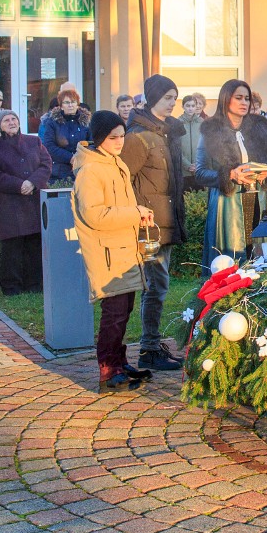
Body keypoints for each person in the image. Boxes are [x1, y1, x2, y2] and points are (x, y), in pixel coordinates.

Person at [72, 111, 155, 392]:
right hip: (107, 252)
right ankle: (108, 370)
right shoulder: (91, 170)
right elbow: (94, 215)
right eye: (113, 137)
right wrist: (134, 213)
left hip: (123, 248)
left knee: (124, 310)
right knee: (114, 313)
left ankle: (119, 362)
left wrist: (137, 216)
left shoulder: (114, 163)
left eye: (122, 136)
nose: (120, 142)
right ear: (99, 139)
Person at [121, 75, 186, 371]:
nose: (172, 103)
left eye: (175, 97)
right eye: (167, 97)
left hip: (165, 219)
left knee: (159, 285)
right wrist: (139, 211)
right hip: (149, 225)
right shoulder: (138, 136)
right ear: (152, 99)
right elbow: (124, 181)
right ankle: (148, 349)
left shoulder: (165, 133)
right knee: (155, 287)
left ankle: (152, 344)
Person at [196, 80, 267, 271]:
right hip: (228, 205)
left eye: (247, 99)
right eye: (239, 98)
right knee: (230, 261)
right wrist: (230, 174)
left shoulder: (260, 128)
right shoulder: (211, 130)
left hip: (257, 201)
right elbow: (200, 173)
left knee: (257, 254)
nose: (244, 103)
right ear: (226, 99)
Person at [0, 110, 51, 295]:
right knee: (12, 247)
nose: (11, 122)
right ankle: (11, 286)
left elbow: (46, 164)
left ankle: (34, 284)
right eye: (6, 120)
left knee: (34, 244)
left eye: (14, 119)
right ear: (0, 126)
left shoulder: (34, 141)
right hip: (9, 202)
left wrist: (32, 183)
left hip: (33, 200)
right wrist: (19, 185)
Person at [40, 89, 91, 182]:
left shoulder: (86, 122)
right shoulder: (52, 122)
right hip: (58, 172)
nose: (70, 105)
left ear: (77, 104)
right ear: (61, 106)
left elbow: (91, 143)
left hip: (83, 169)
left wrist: (80, 157)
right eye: (67, 102)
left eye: (73, 102)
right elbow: (49, 145)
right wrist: (70, 157)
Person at [178, 94, 206, 190]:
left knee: (200, 197)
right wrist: (187, 165)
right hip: (183, 172)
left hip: (199, 170)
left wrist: (198, 164)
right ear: (183, 106)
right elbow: (175, 148)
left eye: (193, 106)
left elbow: (205, 146)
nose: (190, 108)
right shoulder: (178, 123)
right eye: (188, 106)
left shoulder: (202, 123)